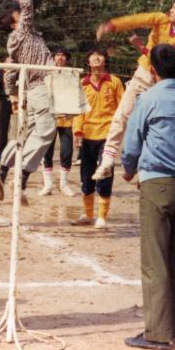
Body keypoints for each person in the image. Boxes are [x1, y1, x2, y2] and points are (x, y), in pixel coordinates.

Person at [121, 44, 175, 350]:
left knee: (155, 261)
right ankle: (174, 327)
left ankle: (157, 332)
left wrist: (129, 168)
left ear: (152, 70)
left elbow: (132, 141)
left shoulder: (149, 99)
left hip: (157, 182)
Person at [93, 0, 175, 179]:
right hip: (143, 74)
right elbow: (137, 19)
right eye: (172, 6)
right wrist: (112, 25)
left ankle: (142, 169)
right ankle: (108, 161)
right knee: (122, 115)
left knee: (152, 125)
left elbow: (167, 61)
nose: (171, 10)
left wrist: (142, 47)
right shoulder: (161, 19)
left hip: (163, 82)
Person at [0, 0, 56, 205]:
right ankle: (22, 177)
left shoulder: (13, 41)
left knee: (24, 135)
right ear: (15, 21)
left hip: (30, 91)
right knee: (46, 132)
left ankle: (2, 172)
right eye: (18, 14)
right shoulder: (23, 31)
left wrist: (13, 96)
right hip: (42, 87)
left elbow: (9, 72)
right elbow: (26, 2)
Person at [71, 48, 124, 228]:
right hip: (87, 135)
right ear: (88, 61)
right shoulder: (82, 84)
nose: (96, 57)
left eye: (100, 55)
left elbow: (122, 109)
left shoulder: (115, 82)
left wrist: (118, 131)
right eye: (92, 55)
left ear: (104, 60)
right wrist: (77, 131)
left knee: (105, 173)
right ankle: (87, 214)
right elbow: (78, 110)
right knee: (86, 176)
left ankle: (102, 216)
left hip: (107, 135)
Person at [39, 47, 76, 197]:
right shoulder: (46, 72)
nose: (60, 58)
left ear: (66, 59)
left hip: (66, 118)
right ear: (53, 57)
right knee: (47, 151)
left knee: (66, 151)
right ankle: (47, 185)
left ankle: (64, 184)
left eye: (63, 55)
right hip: (49, 116)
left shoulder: (71, 74)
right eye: (58, 55)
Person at [0, 64, 12, 161]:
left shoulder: (19, 72)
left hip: (16, 100)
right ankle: (1, 152)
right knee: (3, 128)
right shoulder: (0, 73)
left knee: (17, 129)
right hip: (4, 100)